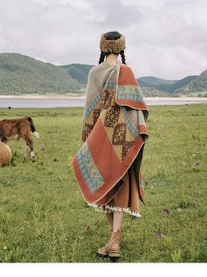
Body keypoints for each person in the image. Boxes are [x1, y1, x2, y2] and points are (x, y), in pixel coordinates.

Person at [72, 31, 149, 261]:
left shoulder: (94, 73)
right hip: (123, 138)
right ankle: (114, 241)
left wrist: (89, 140)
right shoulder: (127, 71)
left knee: (104, 185)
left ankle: (113, 240)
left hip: (100, 138)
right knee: (119, 184)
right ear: (122, 47)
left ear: (103, 47)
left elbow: (90, 111)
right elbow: (136, 108)